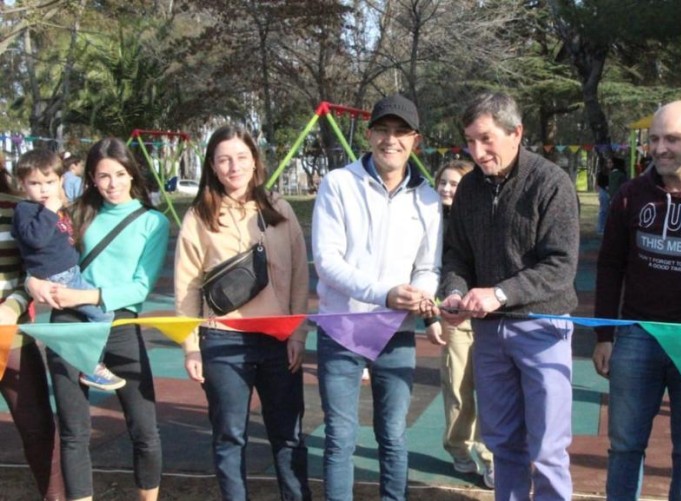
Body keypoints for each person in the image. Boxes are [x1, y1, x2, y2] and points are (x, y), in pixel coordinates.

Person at [437, 92, 579, 501]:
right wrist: (453, 292)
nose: (476, 152)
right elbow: (457, 254)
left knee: (549, 449)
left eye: (486, 139)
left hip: (543, 329)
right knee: (503, 444)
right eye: (469, 141)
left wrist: (500, 293)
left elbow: (560, 266)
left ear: (516, 133)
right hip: (489, 335)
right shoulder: (469, 190)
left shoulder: (550, 183)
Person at [593, 101, 681, 500]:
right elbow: (609, 266)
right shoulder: (630, 195)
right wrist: (604, 334)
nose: (660, 148)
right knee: (624, 446)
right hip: (637, 334)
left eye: (672, 138)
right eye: (654, 139)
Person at [312, 93, 441, 500]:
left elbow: (429, 266)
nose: (391, 140)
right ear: (368, 135)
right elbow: (327, 262)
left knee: (394, 436)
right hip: (341, 328)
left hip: (395, 332)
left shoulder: (428, 197)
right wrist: (384, 293)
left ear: (415, 141)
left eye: (401, 132)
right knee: (340, 439)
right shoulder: (338, 184)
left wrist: (423, 295)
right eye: (383, 130)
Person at [175, 125, 312, 500]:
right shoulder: (200, 217)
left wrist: (297, 333)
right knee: (230, 435)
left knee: (288, 434)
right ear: (213, 167)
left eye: (240, 157)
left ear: (254, 161)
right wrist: (191, 346)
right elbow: (187, 287)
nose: (233, 167)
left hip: (278, 339)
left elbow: (301, 275)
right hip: (222, 339)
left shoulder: (279, 211)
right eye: (223, 160)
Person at [28, 137, 169, 501]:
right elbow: (43, 256)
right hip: (70, 325)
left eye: (120, 174)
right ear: (91, 178)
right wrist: (31, 280)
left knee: (145, 430)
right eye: (103, 176)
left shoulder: (152, 222)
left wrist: (87, 296)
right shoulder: (76, 214)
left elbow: (140, 286)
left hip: (119, 326)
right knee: (74, 432)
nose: (112, 183)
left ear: (132, 173)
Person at [11, 150, 123, 392]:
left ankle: (89, 356)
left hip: (70, 272)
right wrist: (50, 210)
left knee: (90, 315)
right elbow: (36, 239)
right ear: (23, 185)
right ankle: (93, 365)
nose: (43, 190)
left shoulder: (56, 207)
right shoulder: (27, 210)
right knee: (104, 315)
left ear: (60, 180)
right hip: (60, 277)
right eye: (35, 183)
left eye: (49, 182)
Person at [0, 151, 65, 501]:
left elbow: (36, 267)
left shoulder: (18, 208)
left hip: (11, 336)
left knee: (38, 428)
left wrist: (13, 306)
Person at [433, 159, 494, 488]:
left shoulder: (481, 218)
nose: (446, 189)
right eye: (443, 182)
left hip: (488, 313)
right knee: (457, 386)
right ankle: (458, 446)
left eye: (454, 184)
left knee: (491, 388)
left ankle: (490, 457)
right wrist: (433, 313)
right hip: (451, 314)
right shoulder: (429, 221)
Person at [596, 160, 611, 235]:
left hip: (611, 192)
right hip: (603, 192)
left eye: (610, 163)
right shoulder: (601, 173)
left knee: (609, 211)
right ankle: (600, 228)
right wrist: (605, 187)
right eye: (608, 163)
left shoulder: (613, 172)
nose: (609, 164)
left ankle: (607, 228)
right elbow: (599, 182)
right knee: (603, 210)